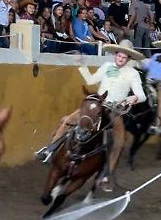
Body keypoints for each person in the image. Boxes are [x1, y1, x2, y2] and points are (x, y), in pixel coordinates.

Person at [42, 40, 147, 192]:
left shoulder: (133, 74)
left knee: (118, 143)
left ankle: (106, 175)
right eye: (119, 56)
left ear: (128, 58)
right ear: (115, 54)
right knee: (68, 120)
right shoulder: (106, 66)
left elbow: (142, 95)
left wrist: (134, 98)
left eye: (125, 57)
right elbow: (91, 80)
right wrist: (82, 64)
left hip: (114, 109)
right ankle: (49, 150)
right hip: (97, 105)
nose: (121, 59)